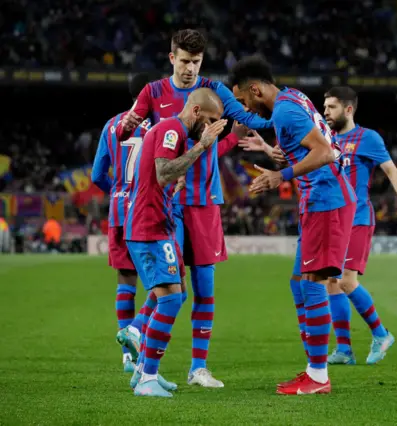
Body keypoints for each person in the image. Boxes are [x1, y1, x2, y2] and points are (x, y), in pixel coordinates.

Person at [116, 29, 268, 388]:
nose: (189, 68)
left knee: (204, 287)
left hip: (204, 201)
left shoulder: (215, 91)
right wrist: (127, 126)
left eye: (196, 62)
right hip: (169, 202)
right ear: (172, 58)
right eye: (184, 60)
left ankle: (197, 367)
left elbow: (249, 120)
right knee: (170, 286)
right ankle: (142, 345)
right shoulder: (153, 92)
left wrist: (286, 122)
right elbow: (127, 133)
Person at [230, 55, 356, 395]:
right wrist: (269, 150)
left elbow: (325, 153)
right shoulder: (292, 98)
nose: (247, 110)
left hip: (327, 199)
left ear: (254, 90)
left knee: (314, 281)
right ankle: (313, 367)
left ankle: (318, 376)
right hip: (318, 199)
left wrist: (279, 176)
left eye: (243, 100)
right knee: (299, 282)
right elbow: (305, 148)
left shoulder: (285, 110)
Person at [125, 87, 228, 397]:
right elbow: (163, 173)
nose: (211, 128)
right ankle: (147, 379)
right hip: (149, 226)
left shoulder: (176, 133)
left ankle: (144, 371)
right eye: (210, 120)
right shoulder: (172, 129)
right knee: (169, 298)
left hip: (159, 224)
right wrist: (201, 147)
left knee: (178, 294)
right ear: (195, 112)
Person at [322, 86, 397, 365]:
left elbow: (392, 172)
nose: (325, 112)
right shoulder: (325, 138)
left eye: (331, 107)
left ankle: (381, 334)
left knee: (345, 280)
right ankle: (343, 349)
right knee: (331, 282)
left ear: (348, 109)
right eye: (325, 106)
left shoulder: (367, 138)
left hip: (357, 218)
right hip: (332, 219)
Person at [91, 73, 151, 373]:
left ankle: (127, 357)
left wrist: (117, 191)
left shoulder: (112, 124)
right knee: (164, 284)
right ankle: (143, 345)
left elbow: (97, 176)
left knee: (126, 281)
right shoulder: (162, 124)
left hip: (119, 212)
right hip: (148, 212)